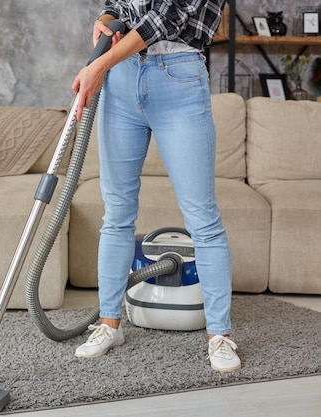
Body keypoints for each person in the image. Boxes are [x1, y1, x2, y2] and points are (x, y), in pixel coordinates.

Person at [71, 0, 241, 373]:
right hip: (122, 80)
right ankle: (110, 325)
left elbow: (166, 17)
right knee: (116, 213)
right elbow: (121, 5)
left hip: (178, 77)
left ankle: (219, 335)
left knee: (202, 217)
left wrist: (99, 65)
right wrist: (105, 19)